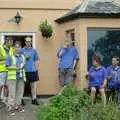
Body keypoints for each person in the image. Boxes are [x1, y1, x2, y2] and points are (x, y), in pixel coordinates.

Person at [6, 43, 26, 116]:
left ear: (21, 48)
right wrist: (17, 68)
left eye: (19, 47)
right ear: (13, 48)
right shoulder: (10, 57)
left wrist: (23, 66)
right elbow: (7, 67)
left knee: (20, 92)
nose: (18, 48)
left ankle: (17, 106)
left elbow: (24, 65)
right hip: (12, 78)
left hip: (21, 77)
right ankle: (10, 108)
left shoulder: (23, 57)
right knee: (12, 93)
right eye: (16, 47)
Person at [21, 36, 40, 105]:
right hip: (24, 70)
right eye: (27, 41)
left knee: (33, 86)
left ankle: (34, 99)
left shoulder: (34, 50)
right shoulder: (22, 50)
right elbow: (19, 60)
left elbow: (36, 59)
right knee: (22, 86)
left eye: (29, 41)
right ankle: (21, 99)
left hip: (32, 70)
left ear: (31, 42)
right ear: (25, 42)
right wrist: (25, 57)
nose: (28, 42)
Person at [0, 36, 13, 102]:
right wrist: (6, 58)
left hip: (9, 70)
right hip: (2, 70)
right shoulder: (0, 48)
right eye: (11, 42)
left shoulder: (11, 49)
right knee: (1, 85)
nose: (11, 44)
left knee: (7, 86)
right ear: (7, 42)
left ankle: (4, 100)